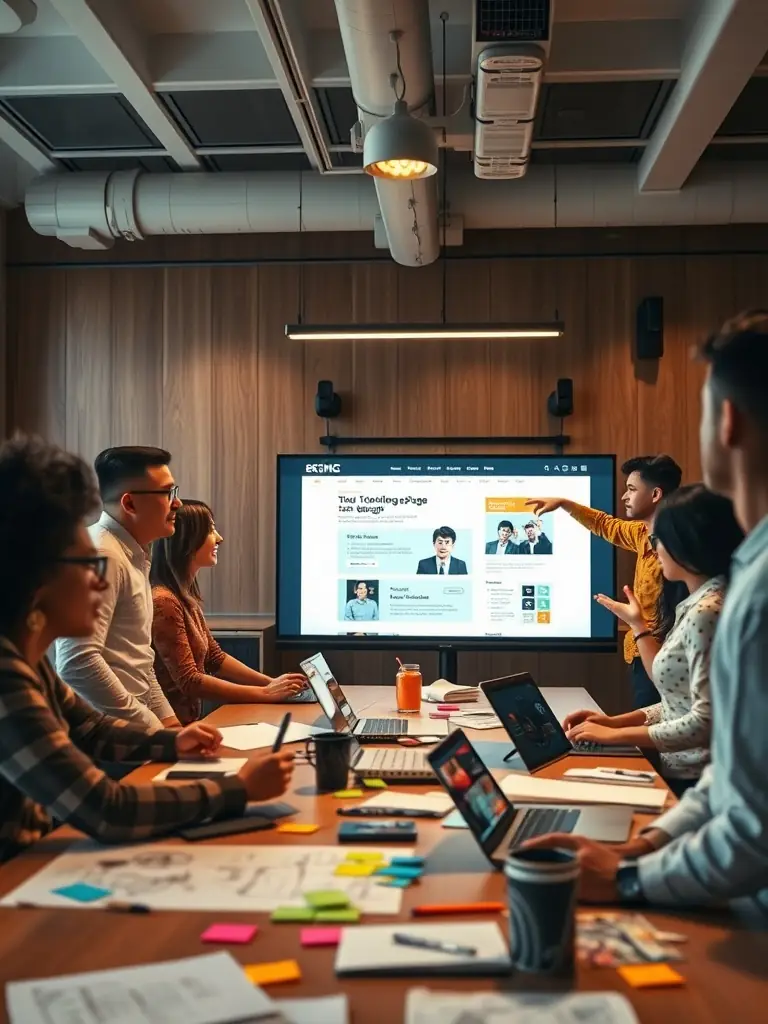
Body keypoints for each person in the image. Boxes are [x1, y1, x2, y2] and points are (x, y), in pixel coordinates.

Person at [523, 310, 768, 922]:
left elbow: (750, 820)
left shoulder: (750, 597)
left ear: (729, 422)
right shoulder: (745, 572)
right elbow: (734, 776)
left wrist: (629, 878)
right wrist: (645, 845)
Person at [0, 435, 294, 863]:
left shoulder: (28, 668)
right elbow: (107, 810)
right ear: (39, 582)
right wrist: (239, 789)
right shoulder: (7, 682)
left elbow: (94, 730)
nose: (100, 582)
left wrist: (172, 742)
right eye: (89, 567)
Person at [562, 484, 743, 797]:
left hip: (700, 783)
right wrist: (612, 723)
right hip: (685, 774)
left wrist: (612, 737)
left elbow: (703, 723)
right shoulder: (697, 603)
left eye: (658, 539)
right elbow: (679, 704)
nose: (653, 548)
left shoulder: (708, 611)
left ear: (686, 544)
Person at [527, 454, 682, 708]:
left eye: (631, 489)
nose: (624, 497)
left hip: (665, 656)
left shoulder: (679, 545)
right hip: (640, 651)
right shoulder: (642, 532)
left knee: (659, 731)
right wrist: (565, 504)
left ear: (655, 495)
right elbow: (604, 524)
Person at [56, 446, 184, 731]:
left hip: (132, 730)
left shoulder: (134, 554)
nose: (177, 504)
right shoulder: (102, 555)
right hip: (104, 739)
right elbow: (78, 661)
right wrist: (151, 728)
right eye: (167, 493)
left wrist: (172, 728)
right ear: (130, 504)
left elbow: (138, 662)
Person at [151, 501, 308, 726]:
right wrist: (265, 694)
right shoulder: (164, 601)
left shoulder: (184, 597)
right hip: (170, 731)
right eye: (210, 530)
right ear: (187, 540)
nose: (219, 538)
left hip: (188, 723)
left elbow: (215, 658)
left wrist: (270, 683)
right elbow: (190, 681)